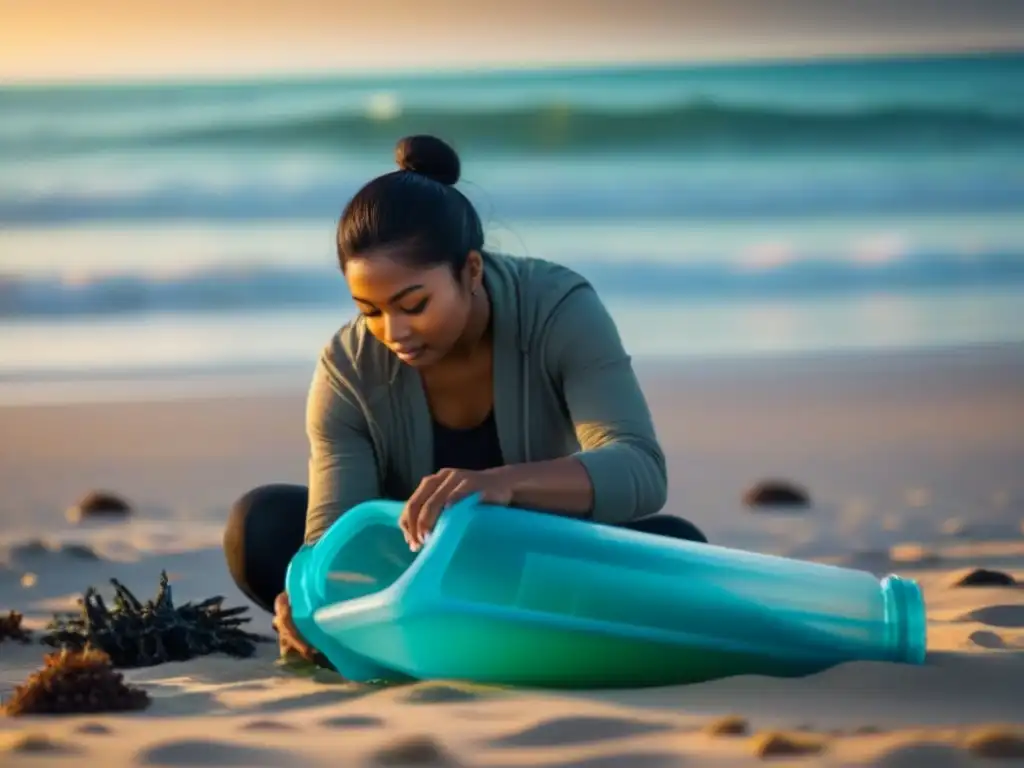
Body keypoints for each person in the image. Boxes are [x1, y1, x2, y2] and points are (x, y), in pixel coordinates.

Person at [223, 135, 707, 662]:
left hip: (537, 553)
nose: (395, 331)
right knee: (261, 526)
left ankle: (448, 634)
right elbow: (334, 531)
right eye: (370, 311)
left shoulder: (558, 309)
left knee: (676, 546)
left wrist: (500, 485)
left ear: (471, 270)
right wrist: (308, 597)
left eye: (414, 304)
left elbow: (639, 468)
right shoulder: (347, 368)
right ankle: (466, 628)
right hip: (407, 565)